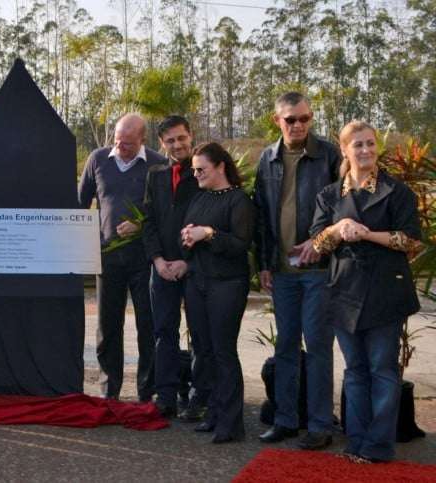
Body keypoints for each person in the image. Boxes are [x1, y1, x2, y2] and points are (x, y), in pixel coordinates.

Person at [310, 121, 421, 463]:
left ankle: (378, 446)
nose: (365, 150)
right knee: (354, 372)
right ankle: (355, 442)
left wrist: (368, 234)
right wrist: (338, 228)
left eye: (370, 144)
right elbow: (317, 243)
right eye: (357, 145)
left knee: (383, 371)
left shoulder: (397, 191)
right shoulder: (329, 195)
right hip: (343, 293)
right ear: (344, 150)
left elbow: (411, 242)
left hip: (386, 292)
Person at [253, 92, 341, 450]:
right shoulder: (267, 158)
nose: (299, 125)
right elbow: (260, 215)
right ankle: (286, 420)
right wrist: (262, 263)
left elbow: (342, 207)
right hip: (281, 271)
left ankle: (320, 425)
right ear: (278, 121)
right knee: (286, 346)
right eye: (291, 119)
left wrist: (320, 245)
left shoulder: (329, 155)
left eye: (305, 118)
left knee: (319, 347)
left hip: (319, 269)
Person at [78, 113, 166, 401]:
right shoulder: (98, 159)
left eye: (128, 143)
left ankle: (146, 392)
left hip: (144, 259)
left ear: (142, 139)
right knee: (108, 328)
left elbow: (165, 213)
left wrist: (141, 226)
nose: (121, 146)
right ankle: (109, 390)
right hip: (107, 259)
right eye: (117, 140)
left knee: (147, 326)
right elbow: (80, 204)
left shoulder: (157, 163)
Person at [180, 142, 254, 444]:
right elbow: (189, 232)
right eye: (194, 170)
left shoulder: (239, 200)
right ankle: (213, 413)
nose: (196, 174)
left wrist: (208, 234)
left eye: (202, 169)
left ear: (221, 167)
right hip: (197, 282)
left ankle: (231, 422)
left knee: (223, 352)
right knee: (204, 350)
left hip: (227, 284)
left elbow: (241, 245)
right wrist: (187, 236)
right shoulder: (199, 198)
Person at [142, 115, 206, 419]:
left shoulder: (203, 173)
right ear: (161, 143)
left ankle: (198, 397)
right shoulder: (155, 175)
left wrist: (186, 261)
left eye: (181, 138)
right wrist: (158, 260)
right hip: (162, 267)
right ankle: (165, 395)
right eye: (170, 140)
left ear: (191, 136)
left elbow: (211, 220)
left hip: (194, 266)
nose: (177, 145)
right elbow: (149, 221)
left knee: (199, 331)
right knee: (164, 331)